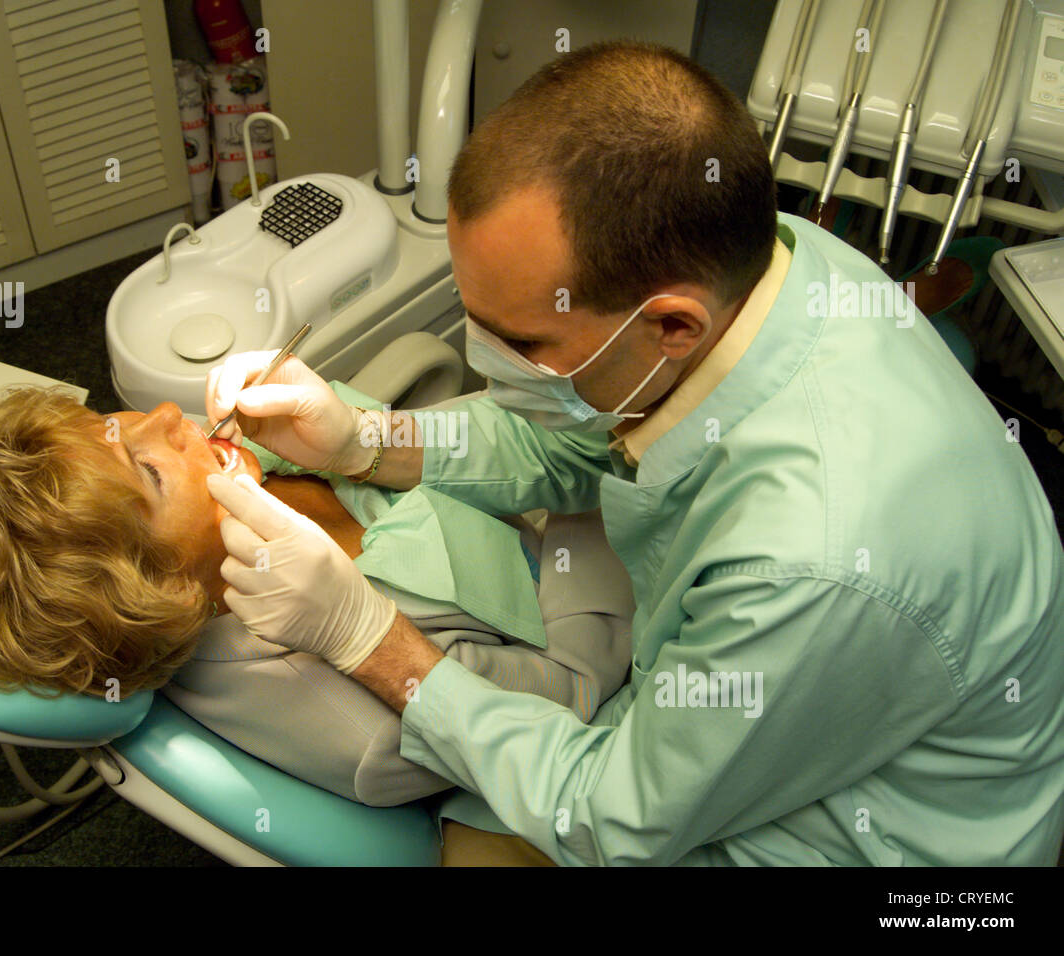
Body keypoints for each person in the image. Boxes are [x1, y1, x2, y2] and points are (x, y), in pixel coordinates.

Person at [202, 41, 1064, 865]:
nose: (485, 362)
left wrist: (368, 640)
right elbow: (584, 443)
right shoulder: (768, 261)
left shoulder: (811, 558)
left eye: (521, 342)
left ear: (672, 326)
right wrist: (363, 440)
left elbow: (612, 822)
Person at [0, 386, 635, 814]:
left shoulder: (219, 487)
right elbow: (573, 690)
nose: (168, 418)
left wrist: (367, 437)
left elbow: (456, 448)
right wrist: (596, 492)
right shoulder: (362, 723)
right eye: (150, 470)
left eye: (111, 423)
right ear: (166, 590)